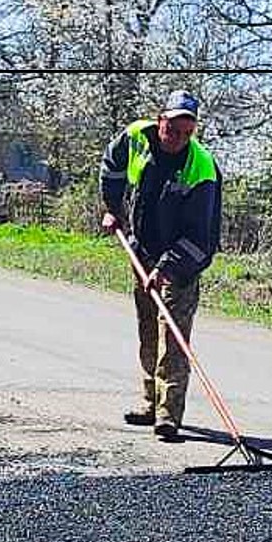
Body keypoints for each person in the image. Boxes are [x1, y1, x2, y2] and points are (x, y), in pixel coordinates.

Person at [98, 90, 222, 442]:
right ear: (160, 120)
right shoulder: (137, 136)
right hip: (142, 246)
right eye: (173, 129)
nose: (178, 138)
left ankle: (169, 414)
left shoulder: (201, 169)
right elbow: (112, 165)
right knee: (147, 327)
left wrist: (167, 268)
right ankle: (150, 401)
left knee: (174, 333)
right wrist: (112, 208)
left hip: (183, 258)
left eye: (187, 132)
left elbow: (202, 236)